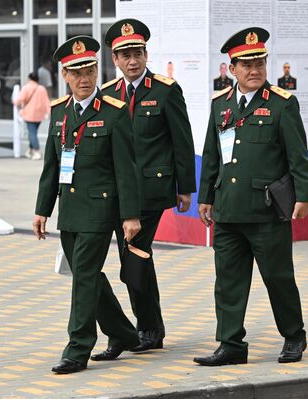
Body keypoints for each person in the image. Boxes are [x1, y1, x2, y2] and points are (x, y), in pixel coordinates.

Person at [195, 27, 308, 366]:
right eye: (246, 64)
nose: (254, 70)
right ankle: (231, 344)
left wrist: (304, 196)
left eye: (260, 63)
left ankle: (294, 336)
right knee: (228, 283)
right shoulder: (221, 105)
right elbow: (211, 155)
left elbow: (298, 156)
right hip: (229, 209)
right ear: (231, 68)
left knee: (278, 278)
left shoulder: (282, 104)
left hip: (266, 210)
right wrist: (205, 197)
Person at [33, 35, 141, 374]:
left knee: (83, 279)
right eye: (76, 72)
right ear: (65, 75)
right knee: (86, 274)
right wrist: (42, 209)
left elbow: (127, 168)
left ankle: (77, 348)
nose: (84, 78)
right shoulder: (58, 112)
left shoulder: (114, 112)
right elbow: (51, 166)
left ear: (97, 71)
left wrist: (130, 216)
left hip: (99, 209)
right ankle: (125, 333)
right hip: (70, 209)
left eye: (90, 70)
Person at [99, 18, 196, 357]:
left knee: (134, 260)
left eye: (137, 53)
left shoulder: (165, 90)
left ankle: (145, 330)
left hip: (151, 192)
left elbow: (182, 141)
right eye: (125, 55)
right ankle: (149, 328)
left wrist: (186, 188)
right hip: (116, 194)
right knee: (137, 259)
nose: (132, 61)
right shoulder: (109, 95)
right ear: (115, 59)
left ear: (145, 53)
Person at [13, 72, 50, 160]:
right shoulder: (42, 89)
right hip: (40, 115)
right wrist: (48, 112)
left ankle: (37, 151)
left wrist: (15, 102)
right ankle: (30, 150)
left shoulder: (26, 88)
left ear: (29, 79)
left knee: (32, 133)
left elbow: (20, 99)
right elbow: (46, 101)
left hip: (29, 114)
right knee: (33, 132)